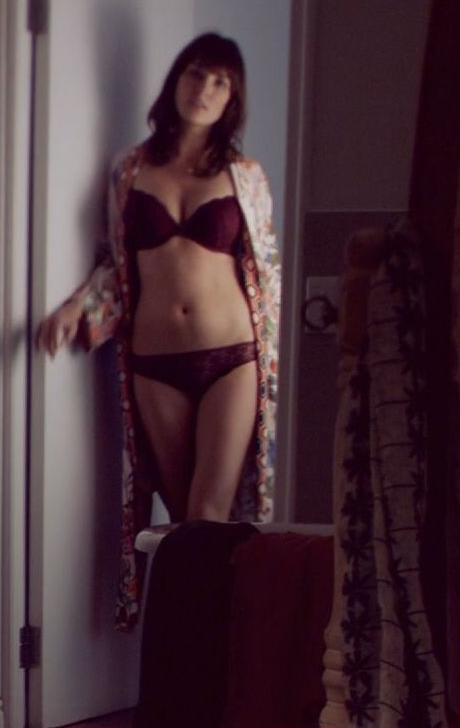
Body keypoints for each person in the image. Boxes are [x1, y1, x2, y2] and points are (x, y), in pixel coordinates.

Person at [34, 32, 281, 630]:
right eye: (196, 74)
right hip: (155, 363)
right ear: (176, 80)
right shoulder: (130, 170)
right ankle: (185, 659)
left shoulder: (244, 177)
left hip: (232, 359)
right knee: (178, 524)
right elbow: (118, 264)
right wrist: (76, 308)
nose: (204, 90)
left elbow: (265, 270)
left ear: (233, 98)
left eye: (220, 82)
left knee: (208, 514)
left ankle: (209, 659)